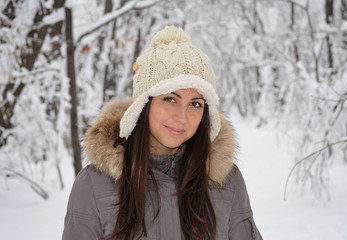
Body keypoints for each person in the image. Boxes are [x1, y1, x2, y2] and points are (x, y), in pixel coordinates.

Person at [62, 26, 263, 240]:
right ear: (144, 105)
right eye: (170, 99)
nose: (182, 117)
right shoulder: (95, 184)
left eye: (195, 104)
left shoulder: (226, 181)